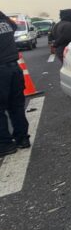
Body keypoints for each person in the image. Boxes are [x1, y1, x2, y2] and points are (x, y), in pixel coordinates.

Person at [0, 11, 30, 155]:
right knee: (16, 106)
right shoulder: (6, 22)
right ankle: (22, 138)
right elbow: (14, 26)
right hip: (14, 68)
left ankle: (5, 144)